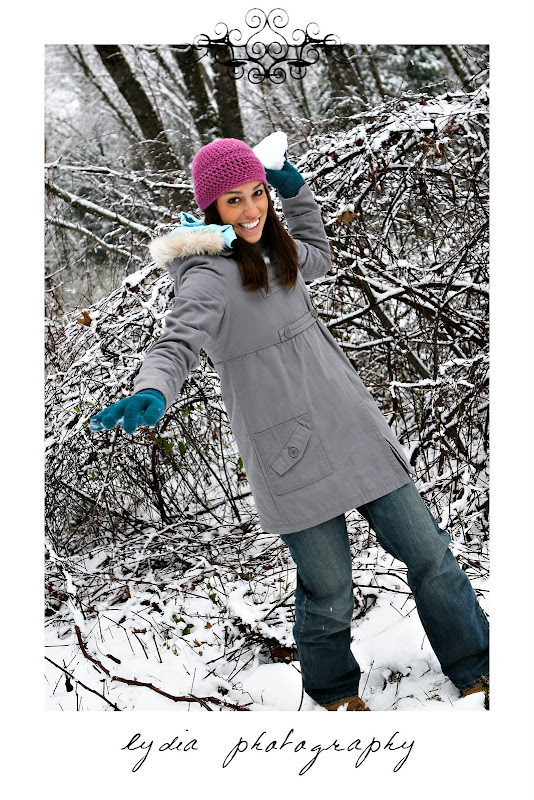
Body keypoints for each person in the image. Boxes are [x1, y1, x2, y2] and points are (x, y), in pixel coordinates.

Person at [89, 138, 489, 711]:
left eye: (258, 194)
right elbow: (177, 340)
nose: (251, 209)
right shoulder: (208, 275)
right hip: (291, 452)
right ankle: (333, 696)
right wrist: (153, 387)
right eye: (234, 200)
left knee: (430, 553)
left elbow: (320, 251)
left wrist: (297, 193)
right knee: (327, 588)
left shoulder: (281, 255)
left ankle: (477, 667)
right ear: (211, 210)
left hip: (353, 430)